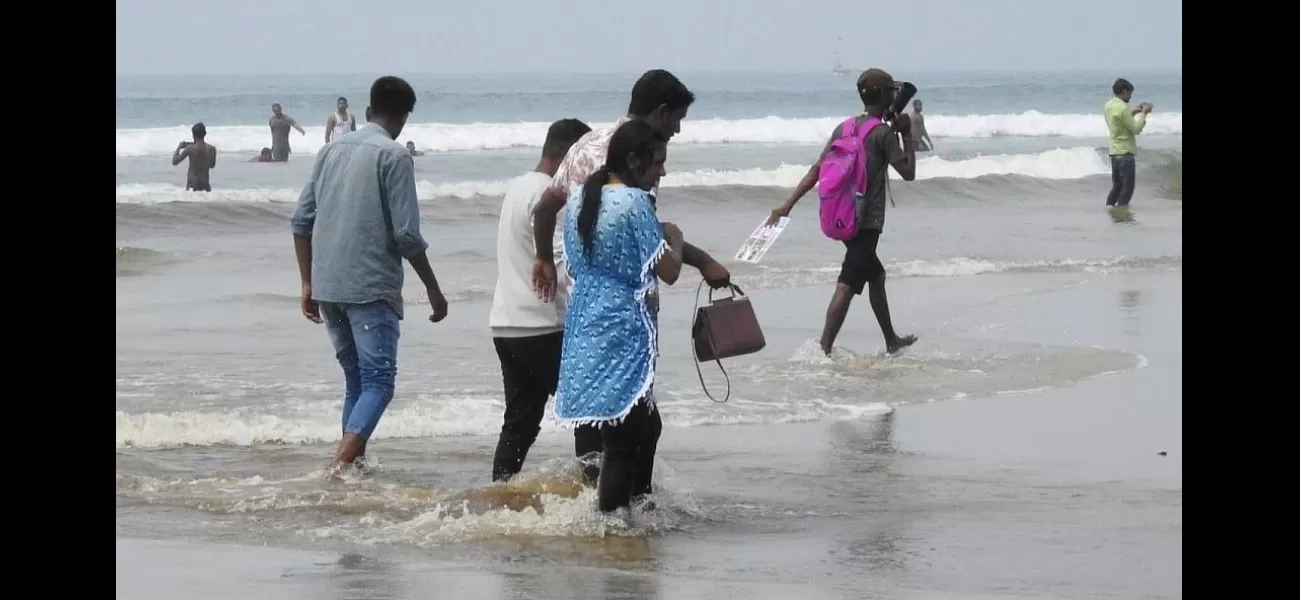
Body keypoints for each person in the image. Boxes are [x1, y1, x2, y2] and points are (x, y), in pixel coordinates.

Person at [290, 76, 450, 475]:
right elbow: (406, 235)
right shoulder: (394, 156)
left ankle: (352, 469)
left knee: (356, 383)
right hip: (370, 287)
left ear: (367, 111)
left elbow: (300, 220)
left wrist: (307, 282)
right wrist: (433, 288)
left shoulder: (329, 152)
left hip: (328, 285)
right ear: (404, 117)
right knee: (379, 382)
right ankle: (339, 465)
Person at [552, 120, 679, 514]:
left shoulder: (579, 201)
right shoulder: (634, 203)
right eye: (657, 163)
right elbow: (669, 271)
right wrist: (673, 236)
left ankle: (624, 512)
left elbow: (573, 260)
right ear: (633, 160)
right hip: (623, 326)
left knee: (623, 429)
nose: (662, 172)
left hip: (585, 318)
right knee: (625, 438)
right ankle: (612, 525)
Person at [530, 69, 730, 308]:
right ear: (662, 112)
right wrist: (701, 260)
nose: (677, 130)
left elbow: (544, 209)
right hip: (627, 313)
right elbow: (646, 237)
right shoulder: (643, 158)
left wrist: (543, 258)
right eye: (678, 119)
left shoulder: (584, 145)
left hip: (582, 310)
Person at [767, 68, 919, 356]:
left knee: (876, 276)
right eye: (892, 92)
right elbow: (909, 172)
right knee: (847, 284)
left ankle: (890, 340)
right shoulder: (884, 134)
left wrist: (788, 204)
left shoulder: (844, 128)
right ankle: (823, 349)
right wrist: (907, 135)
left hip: (843, 217)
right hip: (868, 223)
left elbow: (817, 169)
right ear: (886, 96)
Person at [488, 118, 604, 482]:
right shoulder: (553, 197)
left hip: (507, 323)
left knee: (520, 420)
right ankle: (596, 494)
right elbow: (559, 264)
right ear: (570, 154)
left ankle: (500, 493)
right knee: (589, 409)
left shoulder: (518, 186)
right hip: (545, 325)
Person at [1104, 78, 1152, 220]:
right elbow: (1136, 129)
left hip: (1114, 152)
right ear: (1125, 91)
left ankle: (1109, 208)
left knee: (1117, 186)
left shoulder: (1108, 105)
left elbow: (1119, 123)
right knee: (1128, 188)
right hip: (1126, 152)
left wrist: (1134, 112)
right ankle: (1120, 214)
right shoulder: (1123, 108)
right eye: (1130, 94)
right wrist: (1144, 113)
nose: (1130, 97)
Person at [173, 122, 216, 191]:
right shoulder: (212, 149)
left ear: (193, 135)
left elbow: (175, 162)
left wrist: (179, 147)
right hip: (205, 185)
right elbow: (212, 165)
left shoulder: (190, 148)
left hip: (192, 185)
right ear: (205, 134)